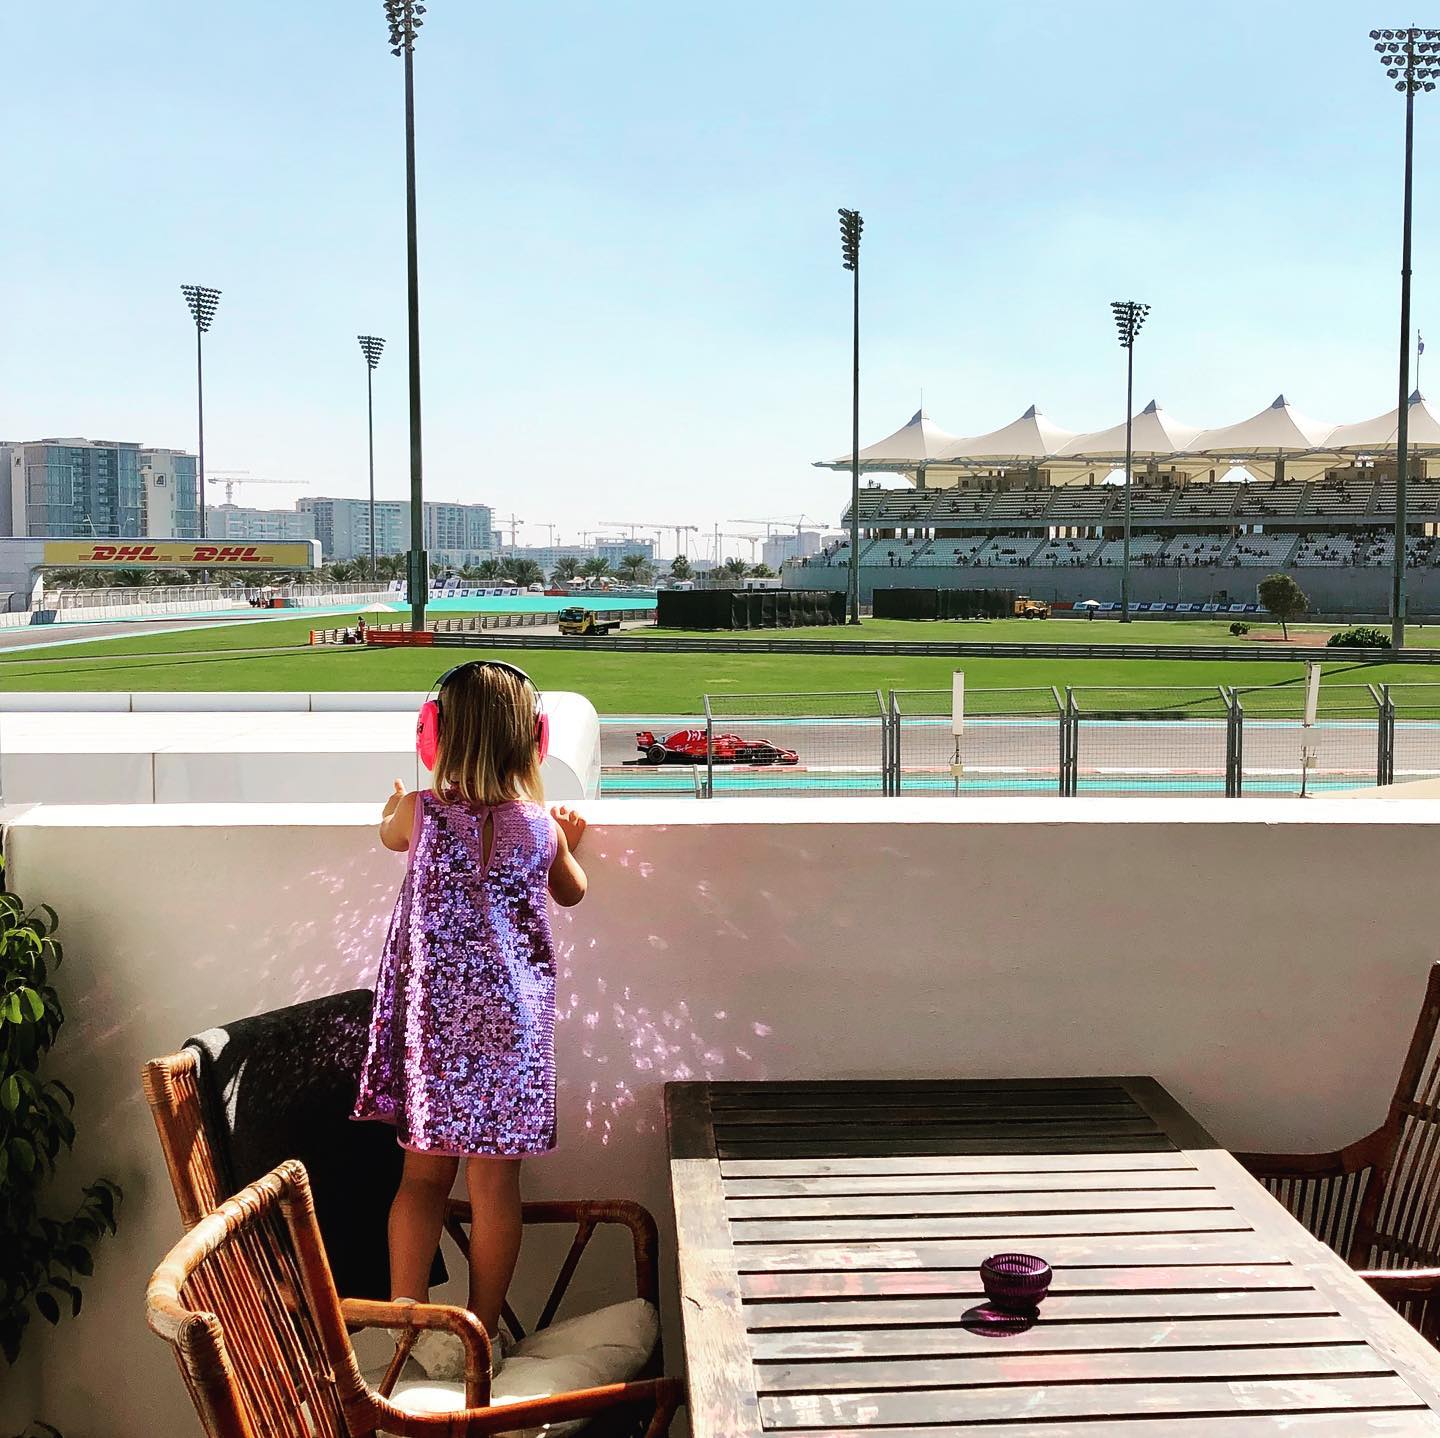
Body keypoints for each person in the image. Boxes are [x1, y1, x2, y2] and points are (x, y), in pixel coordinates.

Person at [352, 662, 587, 1368]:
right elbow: (571, 893)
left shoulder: (417, 814)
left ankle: (408, 1328)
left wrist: (392, 803)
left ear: (435, 736)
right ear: (534, 742)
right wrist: (571, 842)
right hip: (513, 1031)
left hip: (437, 1031)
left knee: (423, 1180)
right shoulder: (542, 828)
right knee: (495, 1187)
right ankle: (479, 1333)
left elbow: (387, 835)